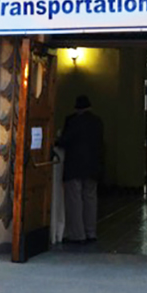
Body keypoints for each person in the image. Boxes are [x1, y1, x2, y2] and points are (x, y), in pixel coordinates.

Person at [57, 94, 104, 243]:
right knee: (90, 198)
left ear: (77, 108)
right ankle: (91, 232)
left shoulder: (73, 121)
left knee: (74, 200)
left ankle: (77, 234)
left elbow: (64, 141)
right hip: (93, 165)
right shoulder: (97, 122)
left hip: (75, 165)